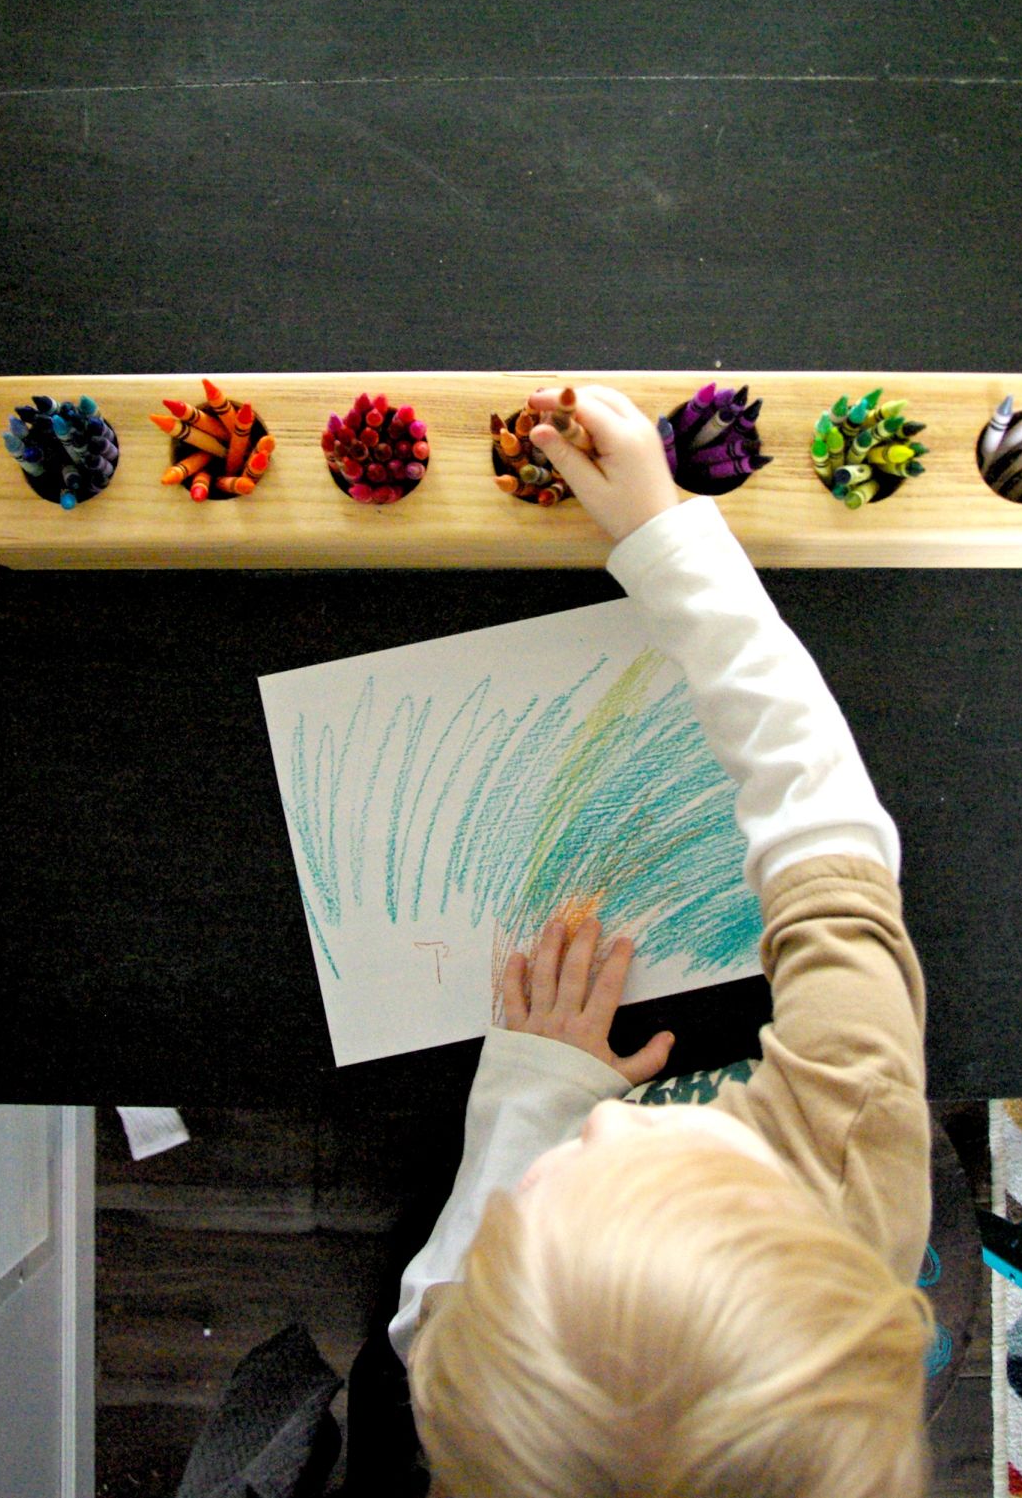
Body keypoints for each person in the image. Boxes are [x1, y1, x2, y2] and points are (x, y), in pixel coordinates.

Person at [389, 385, 935, 1498]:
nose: (596, 1134)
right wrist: (665, 532)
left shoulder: (455, 1349)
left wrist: (537, 1087)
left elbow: (433, 1298)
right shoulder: (851, 1159)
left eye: (543, 1186)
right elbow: (826, 832)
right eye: (602, 1154)